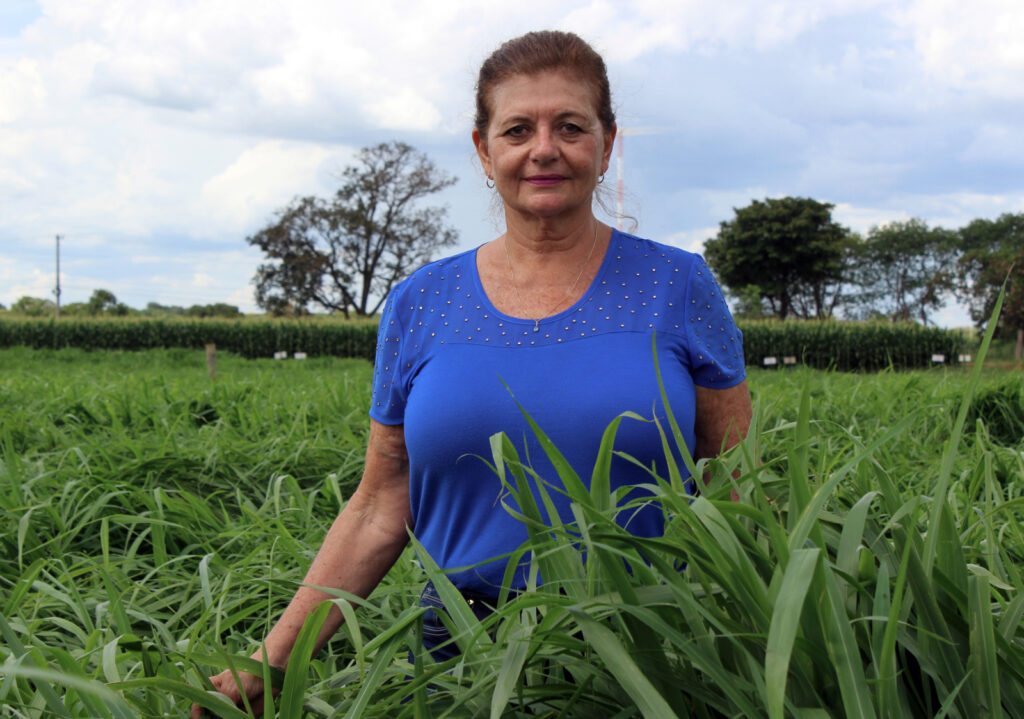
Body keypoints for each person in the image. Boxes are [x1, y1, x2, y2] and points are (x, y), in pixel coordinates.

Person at [192, 29, 751, 717]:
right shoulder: (421, 301)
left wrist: (755, 652)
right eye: (518, 129)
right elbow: (378, 504)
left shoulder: (677, 284)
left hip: (648, 653)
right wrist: (271, 661)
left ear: (606, 144)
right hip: (459, 655)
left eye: (570, 126)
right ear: (485, 151)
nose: (544, 147)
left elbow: (736, 490)